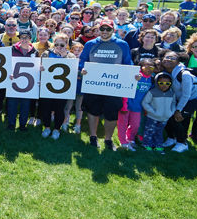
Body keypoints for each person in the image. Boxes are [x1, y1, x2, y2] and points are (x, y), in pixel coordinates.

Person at [79, 18, 134, 150]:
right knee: (93, 111)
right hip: (94, 85)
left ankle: (108, 139)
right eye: (102, 29)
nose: (104, 31)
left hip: (113, 86)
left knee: (111, 114)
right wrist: (82, 69)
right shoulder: (90, 44)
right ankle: (93, 137)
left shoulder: (122, 44)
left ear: (113, 30)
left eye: (108, 29)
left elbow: (128, 63)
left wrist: (133, 74)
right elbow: (82, 61)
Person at [160, 51, 197, 153]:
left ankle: (182, 143)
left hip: (196, 97)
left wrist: (179, 109)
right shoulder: (165, 70)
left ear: (178, 61)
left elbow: (186, 95)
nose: (168, 59)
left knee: (179, 117)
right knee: (167, 114)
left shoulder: (184, 74)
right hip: (179, 96)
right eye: (166, 57)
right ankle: (172, 138)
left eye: (172, 58)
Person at [38, 33, 76, 140]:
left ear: (67, 45)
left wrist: (64, 57)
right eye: (56, 44)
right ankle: (47, 127)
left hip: (62, 88)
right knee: (46, 108)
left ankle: (57, 129)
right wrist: (40, 68)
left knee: (59, 109)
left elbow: (73, 71)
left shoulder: (71, 56)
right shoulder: (46, 54)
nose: (59, 47)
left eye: (62, 45)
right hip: (47, 87)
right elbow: (39, 67)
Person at [117, 59, 154, 151]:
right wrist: (124, 103)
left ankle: (130, 139)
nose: (149, 69)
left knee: (136, 125)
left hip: (138, 107)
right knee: (123, 124)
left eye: (151, 67)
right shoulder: (135, 75)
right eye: (146, 66)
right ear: (141, 67)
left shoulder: (152, 79)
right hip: (126, 104)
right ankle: (123, 142)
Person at [141, 72, 176, 152]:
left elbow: (173, 103)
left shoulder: (171, 93)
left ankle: (158, 145)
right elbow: (145, 103)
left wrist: (171, 112)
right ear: (157, 82)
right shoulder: (152, 92)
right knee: (149, 132)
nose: (164, 85)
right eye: (161, 83)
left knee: (159, 132)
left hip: (165, 118)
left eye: (167, 83)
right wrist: (153, 112)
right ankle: (147, 145)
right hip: (152, 117)